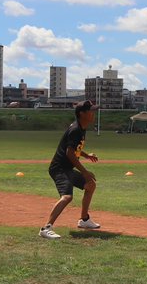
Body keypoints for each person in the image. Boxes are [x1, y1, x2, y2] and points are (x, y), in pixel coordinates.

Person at [40, 100, 101, 239]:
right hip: (59, 169)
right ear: (82, 114)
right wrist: (85, 172)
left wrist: (86, 155)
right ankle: (46, 228)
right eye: (90, 111)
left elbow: (74, 148)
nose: (93, 114)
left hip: (67, 168)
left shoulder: (81, 128)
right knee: (67, 197)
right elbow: (69, 153)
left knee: (90, 185)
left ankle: (84, 220)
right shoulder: (76, 130)